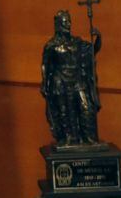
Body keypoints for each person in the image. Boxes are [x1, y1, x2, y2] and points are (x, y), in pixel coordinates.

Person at [40, 9, 101, 145]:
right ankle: (69, 138)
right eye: (65, 21)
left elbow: (92, 52)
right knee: (65, 111)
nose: (68, 24)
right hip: (60, 81)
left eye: (69, 21)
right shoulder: (51, 46)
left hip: (78, 81)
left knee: (86, 107)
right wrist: (44, 83)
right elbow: (45, 65)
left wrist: (98, 38)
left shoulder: (77, 42)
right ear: (58, 24)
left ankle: (89, 138)